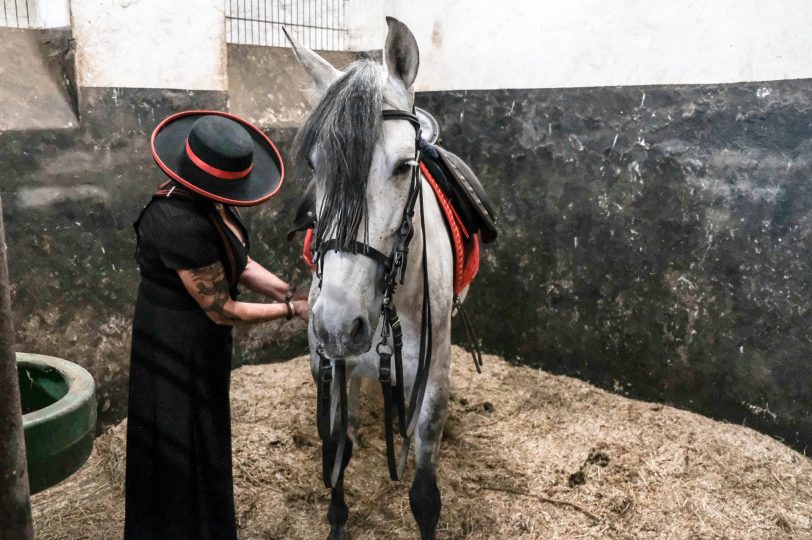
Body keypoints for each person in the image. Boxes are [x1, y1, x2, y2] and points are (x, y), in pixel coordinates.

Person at [124, 111, 308, 539]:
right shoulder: (175, 221)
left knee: (205, 438)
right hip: (171, 343)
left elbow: (236, 264)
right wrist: (292, 312)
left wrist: (288, 291)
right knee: (176, 442)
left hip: (203, 345)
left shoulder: (211, 202)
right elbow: (222, 309)